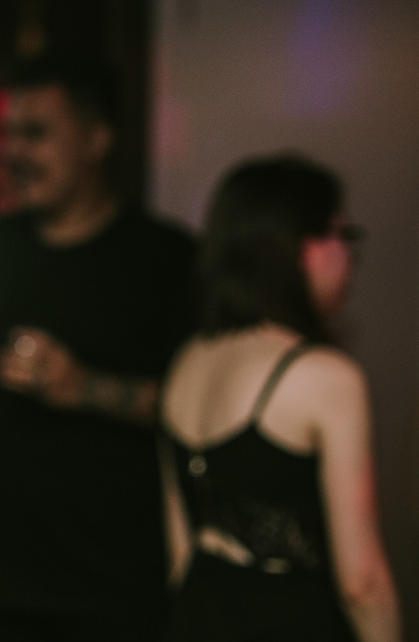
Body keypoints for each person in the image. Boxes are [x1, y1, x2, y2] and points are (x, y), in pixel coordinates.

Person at [0, 54, 196, 641]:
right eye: (8, 134)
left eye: (36, 133)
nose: (14, 152)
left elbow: (199, 411)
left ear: (97, 140)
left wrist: (83, 387)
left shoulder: (165, 260)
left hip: (114, 588)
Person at [160, 155, 400, 642]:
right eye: (342, 235)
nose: (349, 256)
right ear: (300, 248)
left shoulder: (189, 360)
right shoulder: (325, 377)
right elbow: (363, 583)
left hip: (199, 614)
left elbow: (181, 550)